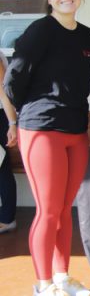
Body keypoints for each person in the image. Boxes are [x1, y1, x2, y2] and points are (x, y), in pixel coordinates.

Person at [4, 0, 90, 296]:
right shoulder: (39, 31)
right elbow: (13, 80)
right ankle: (43, 284)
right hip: (41, 131)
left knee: (65, 208)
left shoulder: (88, 36)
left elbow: (81, 84)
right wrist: (26, 113)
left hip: (76, 130)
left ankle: (62, 277)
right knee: (48, 210)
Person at [0, 50, 18, 234]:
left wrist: (12, 124)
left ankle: (7, 217)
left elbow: (4, 93)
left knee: (2, 169)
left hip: (1, 117)